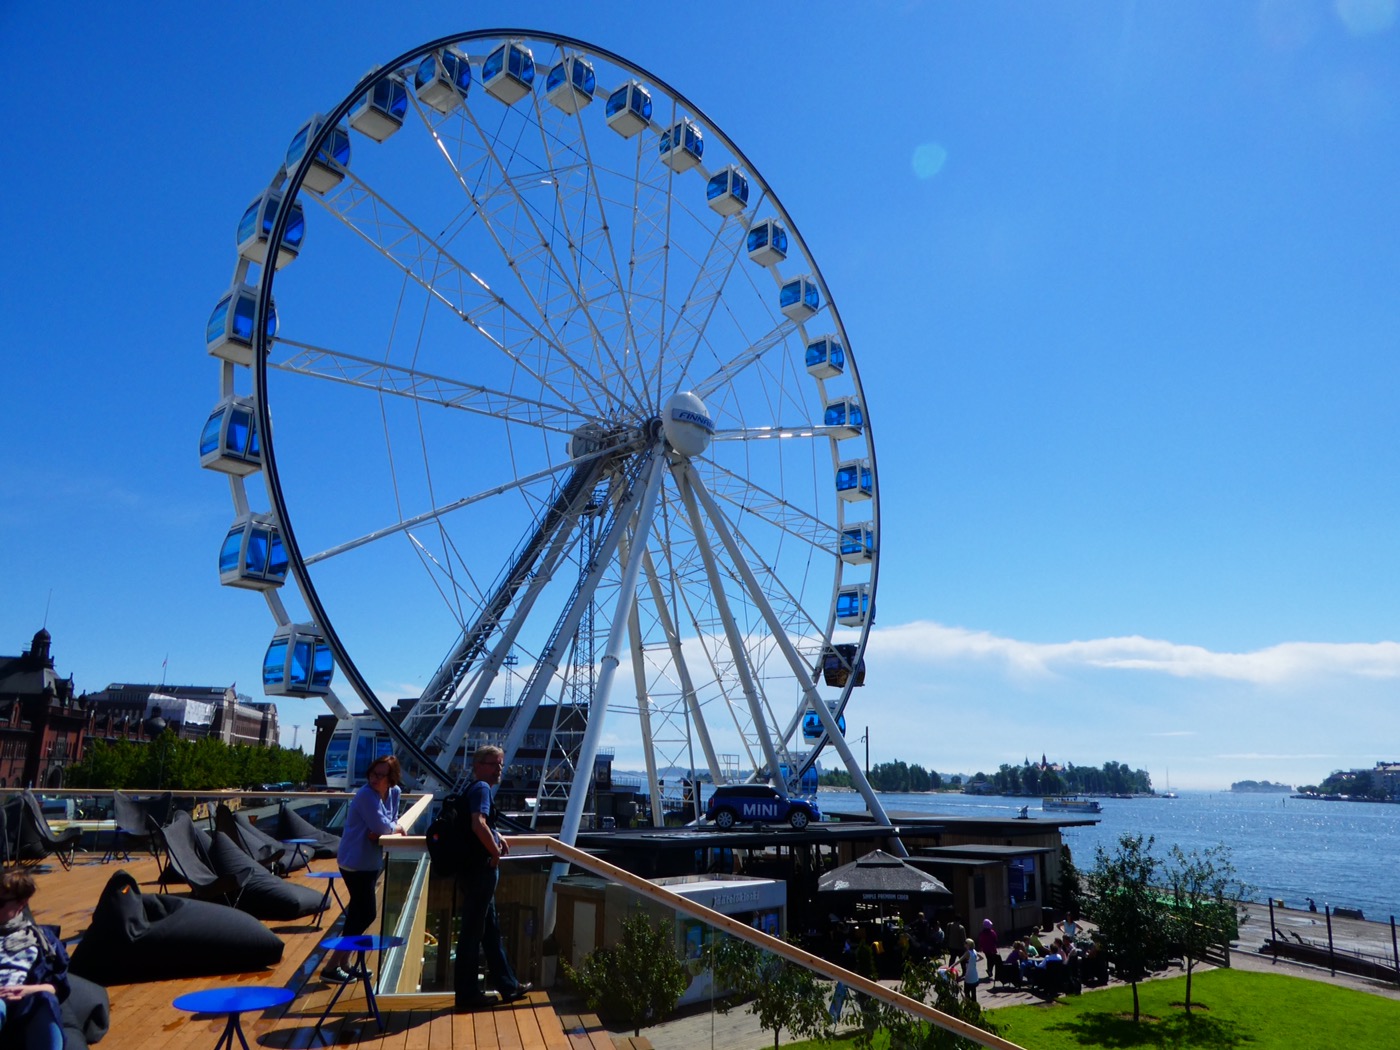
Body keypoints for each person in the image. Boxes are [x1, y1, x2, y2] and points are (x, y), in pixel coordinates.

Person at [455, 745, 530, 1011]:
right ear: (478, 765)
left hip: (471, 870)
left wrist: (497, 836)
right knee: (473, 934)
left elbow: (481, 825)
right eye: (494, 764)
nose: (499, 769)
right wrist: (495, 852)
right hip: (480, 871)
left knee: (489, 931)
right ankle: (467, 995)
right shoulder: (482, 789)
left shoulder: (472, 790)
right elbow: (478, 824)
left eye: (501, 764)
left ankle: (508, 985)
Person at [322, 755, 404, 983]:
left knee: (358, 914)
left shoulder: (394, 793)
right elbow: (383, 825)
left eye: (381, 775)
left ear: (392, 778)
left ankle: (343, 963)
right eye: (373, 774)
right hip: (354, 861)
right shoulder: (366, 795)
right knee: (366, 913)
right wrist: (394, 828)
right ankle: (332, 966)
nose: (375, 779)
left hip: (370, 861)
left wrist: (387, 828)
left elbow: (389, 821)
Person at [0, 871, 68, 1050]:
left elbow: (57, 986)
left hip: (23, 1000)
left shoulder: (42, 939)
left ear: (22, 904)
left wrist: (27, 990)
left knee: (45, 1000)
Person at [959, 938, 981, 1002]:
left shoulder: (967, 952)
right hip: (975, 976)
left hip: (969, 976)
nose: (964, 944)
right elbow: (981, 957)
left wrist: (951, 966)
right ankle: (974, 1005)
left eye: (966, 943)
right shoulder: (974, 951)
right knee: (973, 992)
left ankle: (969, 1005)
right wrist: (974, 961)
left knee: (966, 992)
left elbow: (959, 960)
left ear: (968, 945)